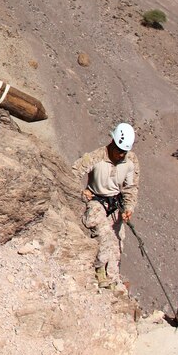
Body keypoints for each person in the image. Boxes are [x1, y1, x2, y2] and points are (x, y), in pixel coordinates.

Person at [72, 123, 139, 291]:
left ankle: (113, 278)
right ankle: (100, 270)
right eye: (119, 150)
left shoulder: (131, 161)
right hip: (96, 200)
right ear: (112, 143)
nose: (121, 155)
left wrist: (129, 207)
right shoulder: (96, 157)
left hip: (116, 203)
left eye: (124, 152)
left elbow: (131, 187)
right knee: (104, 234)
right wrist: (82, 192)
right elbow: (73, 172)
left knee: (117, 241)